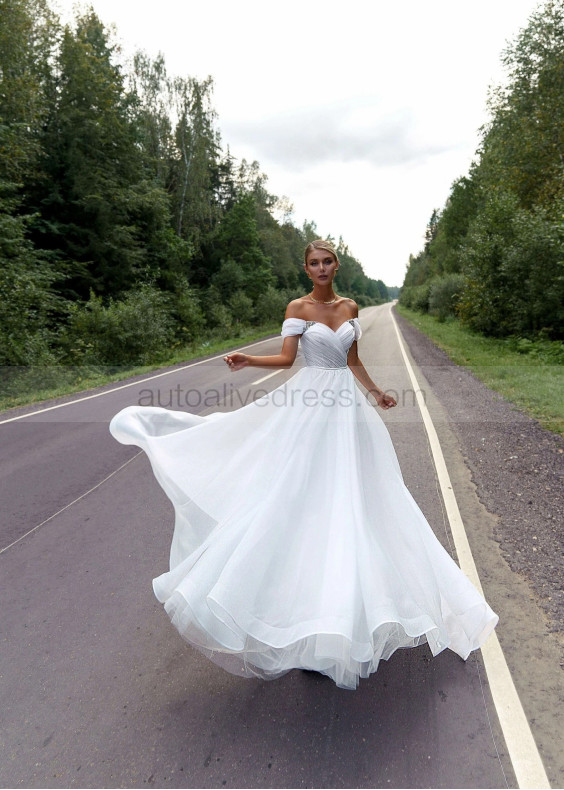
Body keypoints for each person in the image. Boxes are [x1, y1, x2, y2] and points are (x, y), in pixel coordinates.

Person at [109, 239, 498, 690]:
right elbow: (287, 358)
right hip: (309, 407)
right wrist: (248, 359)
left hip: (348, 409)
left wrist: (376, 393)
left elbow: (352, 359)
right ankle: (298, 615)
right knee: (298, 498)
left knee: (361, 499)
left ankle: (351, 613)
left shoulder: (350, 307)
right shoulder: (298, 307)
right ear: (306, 268)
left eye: (327, 261)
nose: (321, 268)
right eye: (314, 263)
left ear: (337, 264)